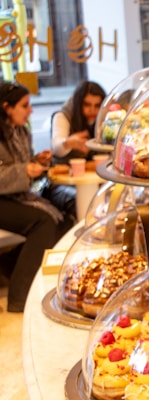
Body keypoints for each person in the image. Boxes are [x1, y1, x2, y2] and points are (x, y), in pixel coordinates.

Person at [0, 83, 73, 312]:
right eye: (24, 106)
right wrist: (25, 170)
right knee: (44, 222)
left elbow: (18, 164)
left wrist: (37, 161)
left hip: (14, 195)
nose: (30, 110)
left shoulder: (20, 130)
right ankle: (19, 298)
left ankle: (10, 268)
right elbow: (10, 170)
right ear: (6, 107)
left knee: (63, 221)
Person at [51, 80, 106, 165]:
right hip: (67, 174)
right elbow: (56, 147)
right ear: (78, 103)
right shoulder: (63, 116)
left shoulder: (106, 116)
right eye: (87, 105)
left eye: (97, 106)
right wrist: (67, 143)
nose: (92, 110)